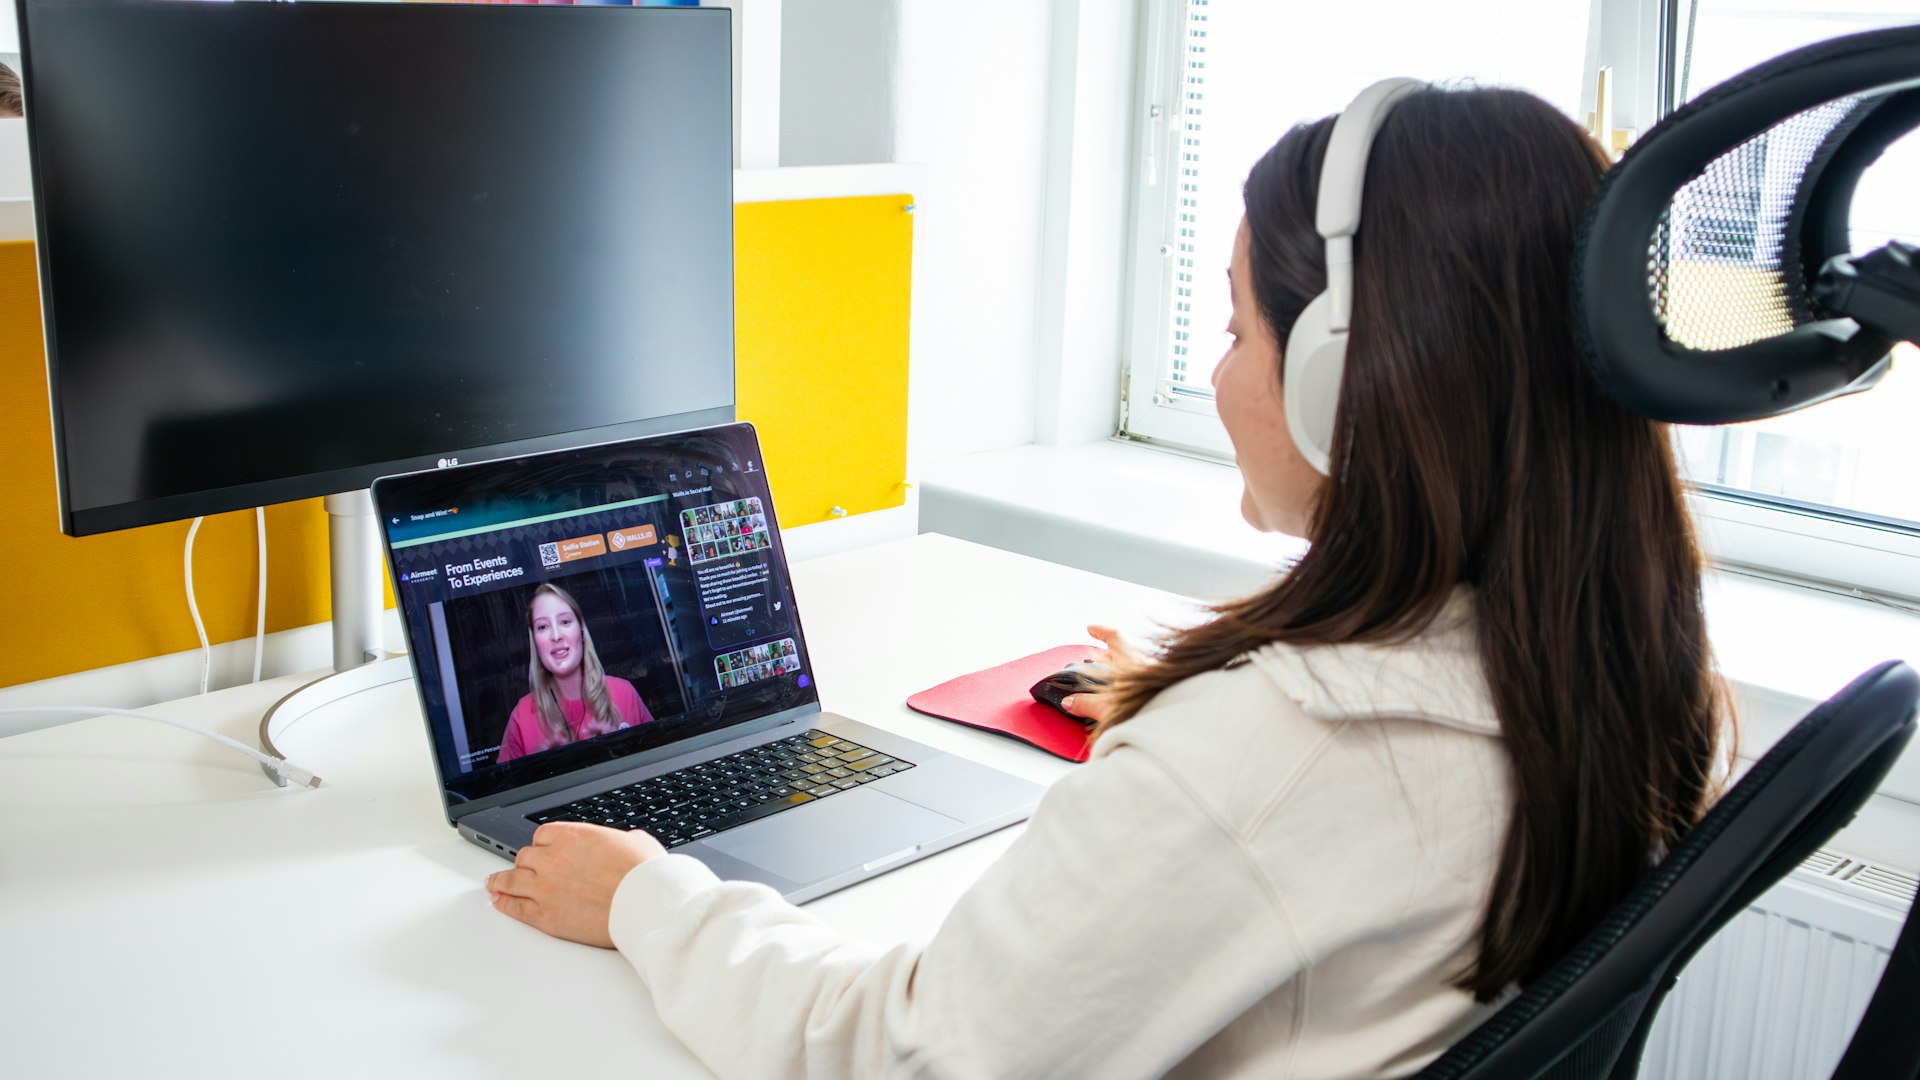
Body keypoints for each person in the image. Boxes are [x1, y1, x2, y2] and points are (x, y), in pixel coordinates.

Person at [483, 82, 1730, 1077]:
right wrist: (1197, 722)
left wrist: (652, 899)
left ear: (1344, 377)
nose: (1217, 362)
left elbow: (908, 1056)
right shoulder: (1611, 660)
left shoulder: (1273, 755)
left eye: (1239, 327)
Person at [495, 583, 654, 762]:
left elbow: (659, 760)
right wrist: (536, 769)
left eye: (565, 622)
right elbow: (506, 787)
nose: (556, 636)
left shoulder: (624, 692)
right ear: (535, 643)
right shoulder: (521, 716)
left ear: (581, 631)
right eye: (542, 627)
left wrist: (622, 750)